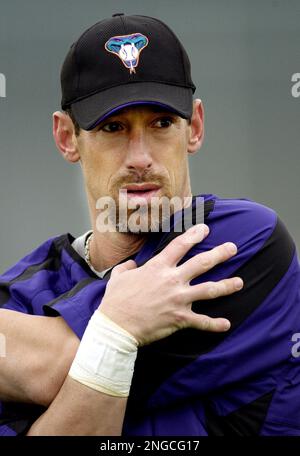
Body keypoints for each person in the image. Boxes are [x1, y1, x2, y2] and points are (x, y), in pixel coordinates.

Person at [0, 13, 299, 436]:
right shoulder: (21, 295)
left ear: (194, 127)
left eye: (161, 124)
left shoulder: (240, 246)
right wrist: (119, 330)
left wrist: (111, 331)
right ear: (67, 138)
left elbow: (51, 367)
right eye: (113, 127)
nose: (140, 157)